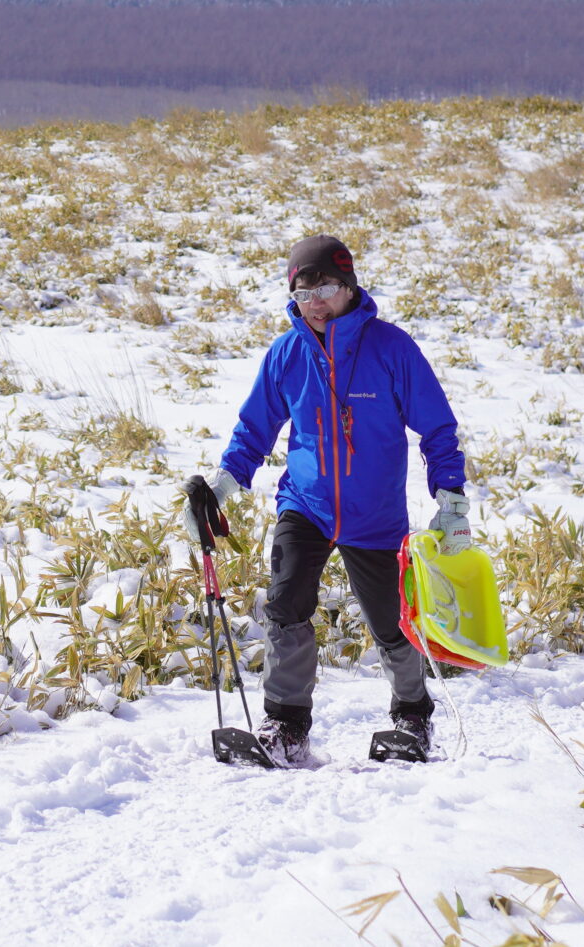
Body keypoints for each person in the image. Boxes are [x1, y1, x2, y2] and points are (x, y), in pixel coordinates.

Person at [187, 234, 467, 767]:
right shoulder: (288, 353)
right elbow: (254, 429)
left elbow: (437, 428)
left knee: (391, 621)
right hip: (306, 504)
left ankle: (412, 715)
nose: (315, 302)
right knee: (287, 603)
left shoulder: (391, 349)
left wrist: (451, 499)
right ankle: (286, 726)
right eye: (303, 291)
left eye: (327, 287)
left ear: (350, 286)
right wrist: (223, 485)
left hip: (375, 514)